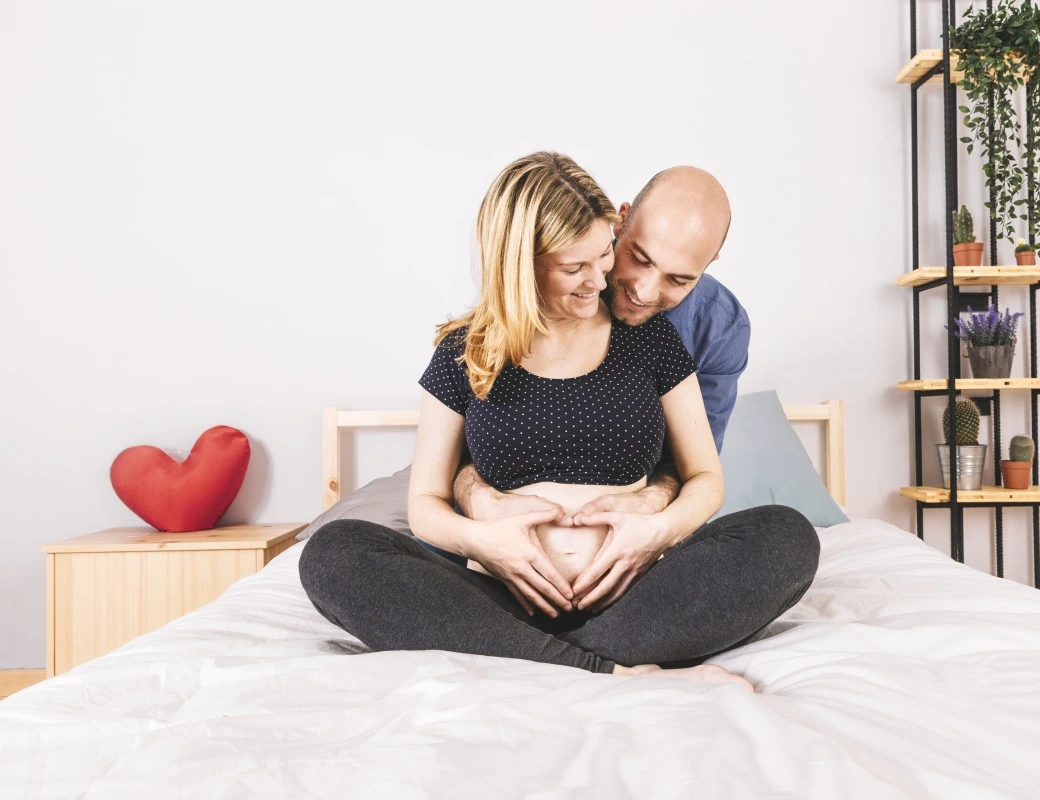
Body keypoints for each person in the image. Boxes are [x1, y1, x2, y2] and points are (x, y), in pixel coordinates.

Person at [299, 153, 819, 688]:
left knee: (787, 537)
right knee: (334, 554)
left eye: (602, 259)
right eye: (580, 267)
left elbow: (705, 478)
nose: (611, 284)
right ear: (527, 263)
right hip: (503, 594)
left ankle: (528, 659)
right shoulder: (467, 349)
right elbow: (425, 504)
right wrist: (485, 542)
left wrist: (655, 528)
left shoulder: (655, 338)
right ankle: (611, 671)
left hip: (637, 593)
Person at [452, 165, 761, 612]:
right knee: (351, 552)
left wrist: (650, 514)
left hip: (635, 566)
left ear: (708, 265)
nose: (643, 290)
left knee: (781, 535)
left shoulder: (714, 327)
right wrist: (480, 502)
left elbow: (697, 469)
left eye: (679, 279)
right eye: (639, 257)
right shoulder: (544, 289)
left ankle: (599, 644)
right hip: (502, 560)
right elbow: (473, 447)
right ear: (620, 221)